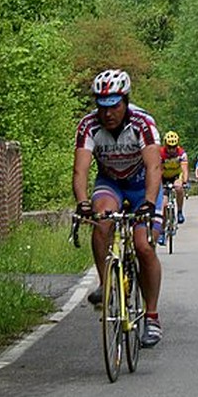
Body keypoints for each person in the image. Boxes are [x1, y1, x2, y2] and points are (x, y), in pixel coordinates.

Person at [72, 68, 164, 348]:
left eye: (114, 106)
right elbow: (80, 170)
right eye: (102, 107)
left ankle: (151, 317)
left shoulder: (142, 123)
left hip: (141, 186)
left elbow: (154, 166)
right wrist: (82, 203)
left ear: (125, 101)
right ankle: (106, 284)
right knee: (102, 222)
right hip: (110, 182)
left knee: (143, 246)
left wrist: (149, 202)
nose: (108, 113)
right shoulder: (88, 126)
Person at [159, 131, 189, 243]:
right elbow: (158, 170)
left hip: (176, 175)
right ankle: (161, 232)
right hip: (164, 177)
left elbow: (184, 170)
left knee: (178, 187)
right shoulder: (161, 153)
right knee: (163, 205)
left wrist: (184, 181)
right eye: (169, 147)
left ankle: (180, 212)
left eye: (174, 147)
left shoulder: (181, 153)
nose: (172, 149)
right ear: (165, 145)